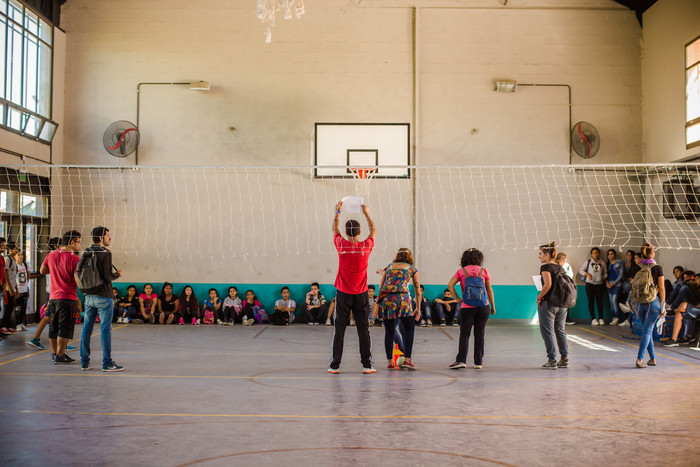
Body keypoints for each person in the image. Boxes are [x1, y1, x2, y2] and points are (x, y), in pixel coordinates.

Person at [328, 200, 376, 374]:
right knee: (363, 330)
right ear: (359, 232)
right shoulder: (366, 246)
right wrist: (366, 213)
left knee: (339, 329)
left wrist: (337, 212)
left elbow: (335, 229)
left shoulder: (341, 245)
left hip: (343, 294)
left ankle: (334, 366)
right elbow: (374, 231)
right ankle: (367, 365)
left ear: (346, 233)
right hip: (361, 295)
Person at [79, 226, 124, 372]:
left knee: (87, 329)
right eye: (107, 235)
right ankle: (107, 363)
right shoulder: (105, 253)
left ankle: (84, 362)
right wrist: (118, 275)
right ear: (101, 238)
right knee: (105, 330)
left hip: (89, 296)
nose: (109, 238)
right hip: (104, 296)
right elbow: (107, 276)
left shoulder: (87, 251)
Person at [447, 248, 496, 370]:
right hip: (483, 306)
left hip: (467, 307)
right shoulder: (484, 271)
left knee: (464, 334)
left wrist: (458, 298)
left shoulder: (461, 271)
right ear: (479, 259)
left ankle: (461, 361)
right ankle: (478, 362)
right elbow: (489, 290)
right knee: (480, 334)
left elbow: (450, 285)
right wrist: (493, 306)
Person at [374, 248, 421, 370]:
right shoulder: (412, 269)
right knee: (409, 329)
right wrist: (418, 308)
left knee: (389, 332)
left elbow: (381, 287)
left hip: (387, 300)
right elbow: (417, 291)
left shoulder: (389, 267)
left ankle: (390, 362)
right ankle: (407, 360)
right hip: (403, 300)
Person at [40, 230, 82, 364]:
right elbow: (77, 280)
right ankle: (60, 354)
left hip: (52, 298)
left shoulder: (51, 255)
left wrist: (56, 271)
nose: (79, 245)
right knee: (65, 327)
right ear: (71, 242)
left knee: (53, 327)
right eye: (78, 242)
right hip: (67, 298)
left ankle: (54, 354)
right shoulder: (74, 258)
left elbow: (42, 271)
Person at [28, 238, 68, 349]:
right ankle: (38, 339)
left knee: (49, 317)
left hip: (53, 292)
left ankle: (37, 339)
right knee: (51, 317)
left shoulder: (52, 256)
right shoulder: (54, 256)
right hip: (53, 293)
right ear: (56, 247)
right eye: (61, 244)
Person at [631, 242, 665, 368]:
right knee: (648, 330)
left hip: (640, 302)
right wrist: (663, 305)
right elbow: (661, 288)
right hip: (653, 302)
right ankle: (640, 359)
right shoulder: (657, 268)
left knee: (647, 331)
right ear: (652, 253)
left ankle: (652, 359)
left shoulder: (637, 267)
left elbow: (632, 284)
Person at [535, 242, 569, 369]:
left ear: (547, 255)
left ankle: (552, 360)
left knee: (547, 332)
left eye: (540, 254)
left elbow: (548, 285)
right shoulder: (560, 267)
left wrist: (539, 297)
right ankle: (564, 358)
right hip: (562, 304)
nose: (539, 256)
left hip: (549, 303)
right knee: (560, 330)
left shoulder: (545, 268)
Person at [663, 272, 699, 347]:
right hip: (694, 308)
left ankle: (671, 307)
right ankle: (676, 339)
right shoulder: (696, 289)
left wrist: (686, 305)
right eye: (695, 279)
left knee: (684, 289)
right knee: (680, 312)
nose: (696, 281)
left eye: (698, 279)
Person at [578, 247, 607, 325]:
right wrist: (587, 274)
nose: (595, 254)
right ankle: (593, 319)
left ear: (599, 253)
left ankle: (601, 318)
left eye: (597, 252)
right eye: (594, 253)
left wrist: (603, 277)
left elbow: (606, 273)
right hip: (590, 284)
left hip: (599, 284)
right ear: (591, 254)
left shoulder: (602, 262)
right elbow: (581, 270)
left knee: (599, 302)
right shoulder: (588, 261)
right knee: (591, 301)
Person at [1, 242, 19, 332]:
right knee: (7, 307)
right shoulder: (7, 259)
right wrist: (10, 288)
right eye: (15, 247)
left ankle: (7, 326)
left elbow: (14, 275)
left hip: (12, 286)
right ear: (10, 249)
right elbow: (6, 274)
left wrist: (16, 288)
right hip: (8, 288)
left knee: (11, 306)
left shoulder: (13, 259)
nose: (17, 248)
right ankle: (3, 326)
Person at [12, 250, 30, 331]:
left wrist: (26, 284)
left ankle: (22, 323)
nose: (20, 256)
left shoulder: (25, 264)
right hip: (17, 290)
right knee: (17, 308)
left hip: (25, 289)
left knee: (23, 308)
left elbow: (28, 274)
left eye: (21, 255)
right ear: (15, 256)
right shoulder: (14, 265)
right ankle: (17, 324)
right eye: (18, 255)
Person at [556, 252, 575, 325]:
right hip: (557, 288)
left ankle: (567, 318)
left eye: (564, 258)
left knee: (566, 303)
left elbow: (570, 275)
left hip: (566, 287)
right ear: (558, 259)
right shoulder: (556, 266)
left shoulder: (567, 266)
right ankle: (557, 319)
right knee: (557, 304)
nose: (564, 260)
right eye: (562, 258)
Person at [606, 249, 624, 325]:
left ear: (615, 255)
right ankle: (613, 317)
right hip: (609, 283)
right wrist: (607, 283)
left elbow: (621, 274)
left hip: (617, 283)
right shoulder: (607, 264)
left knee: (614, 299)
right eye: (609, 254)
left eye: (611, 254)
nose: (610, 256)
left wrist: (614, 282)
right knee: (611, 301)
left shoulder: (619, 262)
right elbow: (605, 274)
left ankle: (617, 317)